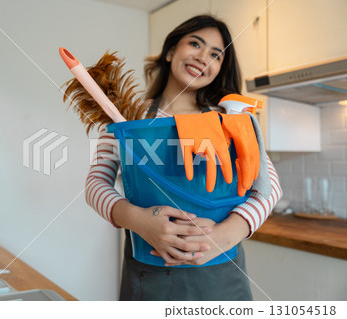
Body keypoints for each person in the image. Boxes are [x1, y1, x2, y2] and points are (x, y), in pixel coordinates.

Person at [85, 15, 282, 301]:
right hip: (148, 269)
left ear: (220, 69)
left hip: (221, 271)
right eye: (195, 44)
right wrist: (138, 220)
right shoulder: (129, 115)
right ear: (170, 51)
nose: (203, 57)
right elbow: (95, 183)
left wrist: (224, 237)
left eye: (216, 55)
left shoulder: (231, 120)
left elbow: (270, 187)